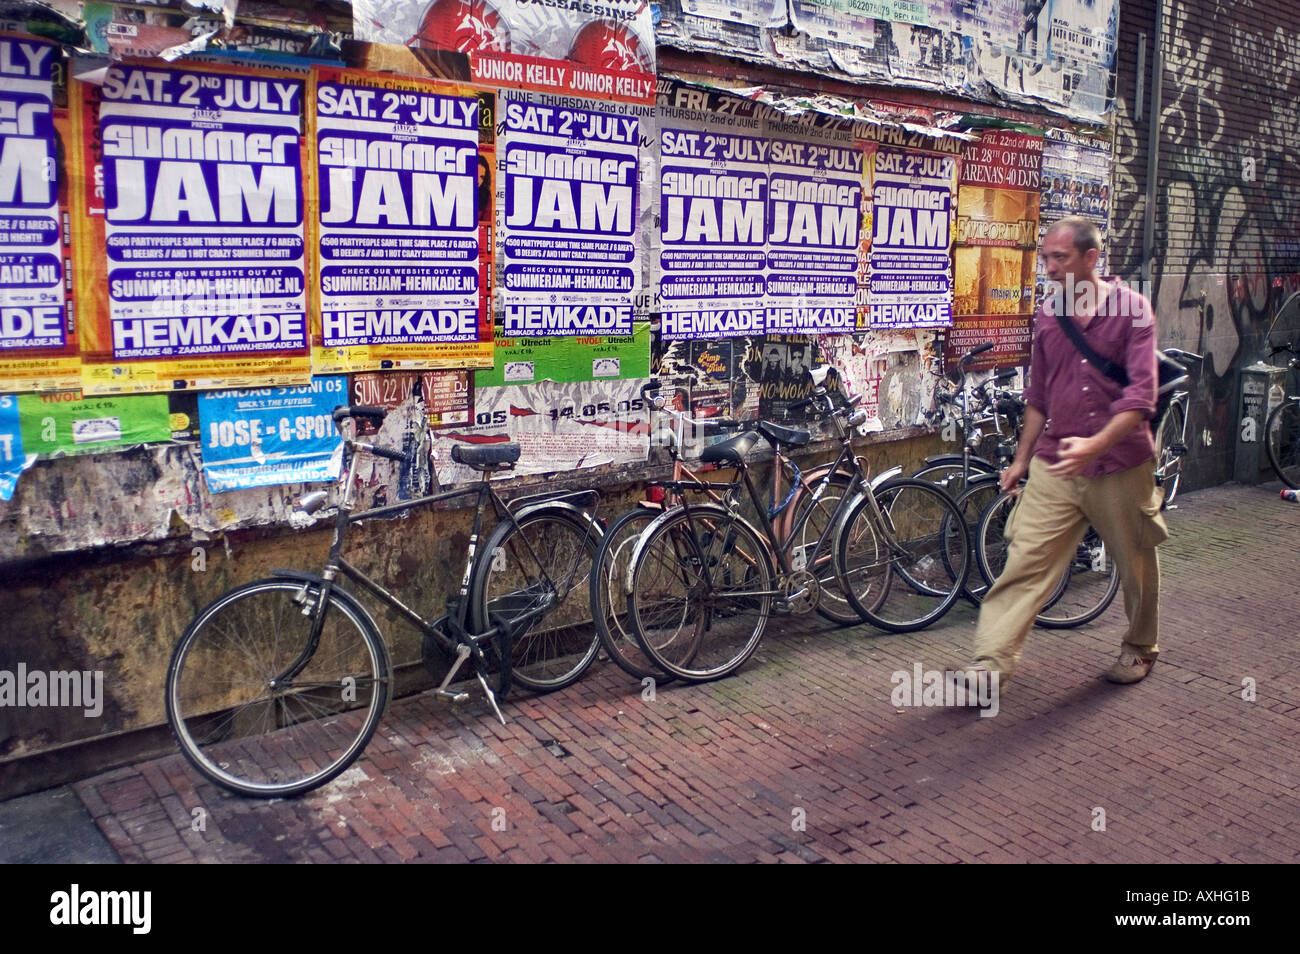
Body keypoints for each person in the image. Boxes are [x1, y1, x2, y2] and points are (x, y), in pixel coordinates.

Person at [963, 216, 1168, 692]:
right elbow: (1039, 394)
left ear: (1090, 258)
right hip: (1056, 462)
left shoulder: (1133, 310)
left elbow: (1142, 397)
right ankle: (989, 665)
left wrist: (1095, 445)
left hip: (1120, 463)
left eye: (1061, 257)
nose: (1049, 267)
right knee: (1025, 561)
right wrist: (1020, 459)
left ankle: (1140, 647)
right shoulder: (1048, 314)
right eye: (1046, 257)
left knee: (1136, 564)